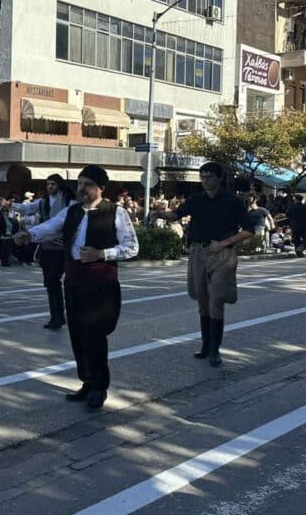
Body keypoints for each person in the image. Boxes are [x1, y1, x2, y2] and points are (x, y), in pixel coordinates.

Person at [14, 166, 139, 409]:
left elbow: (132, 247)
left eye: (87, 184)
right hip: (73, 281)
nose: (81, 189)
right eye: (79, 184)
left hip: (101, 283)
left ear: (100, 188)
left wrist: (102, 253)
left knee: (95, 335)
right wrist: (29, 235)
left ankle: (99, 386)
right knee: (77, 334)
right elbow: (50, 226)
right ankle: (87, 381)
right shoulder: (71, 211)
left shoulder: (116, 212)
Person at [158, 162, 254, 366]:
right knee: (202, 301)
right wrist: (159, 213)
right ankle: (205, 345)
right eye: (203, 176)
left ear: (219, 178)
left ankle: (215, 350)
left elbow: (249, 230)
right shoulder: (195, 200)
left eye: (210, 176)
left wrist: (224, 243)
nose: (206, 180)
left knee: (216, 300)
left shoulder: (232, 202)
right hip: (197, 252)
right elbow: (176, 215)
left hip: (222, 254)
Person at [13, 175, 77, 329]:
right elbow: (28, 208)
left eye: (53, 184)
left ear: (60, 185)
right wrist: (12, 205)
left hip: (66, 248)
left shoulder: (71, 202)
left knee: (71, 285)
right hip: (48, 248)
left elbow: (59, 223)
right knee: (51, 283)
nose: (49, 187)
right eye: (48, 184)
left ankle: (70, 316)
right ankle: (56, 317)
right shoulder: (43, 202)